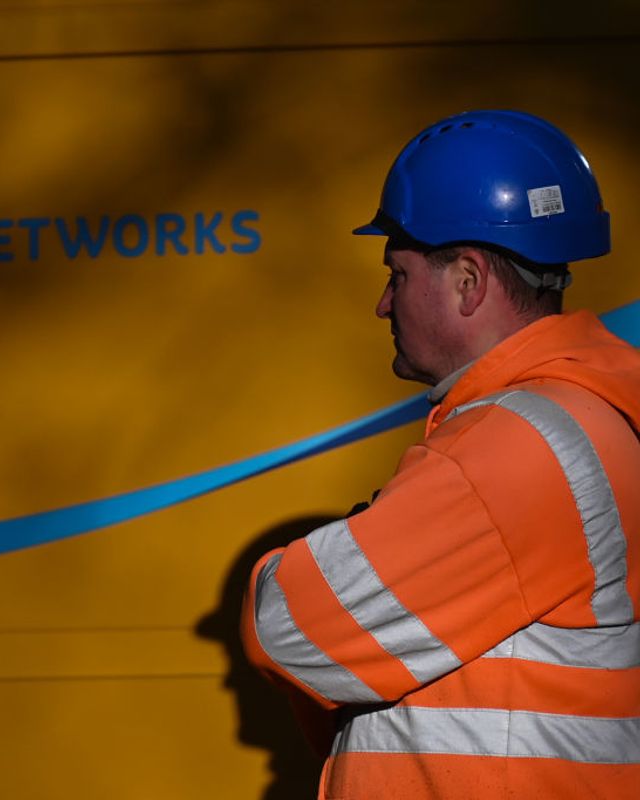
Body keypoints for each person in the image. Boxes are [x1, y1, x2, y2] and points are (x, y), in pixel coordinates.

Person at [240, 109, 640, 798]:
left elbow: (286, 625)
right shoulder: (593, 413)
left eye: (396, 274)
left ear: (467, 280)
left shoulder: (521, 446)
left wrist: (289, 565)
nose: (382, 303)